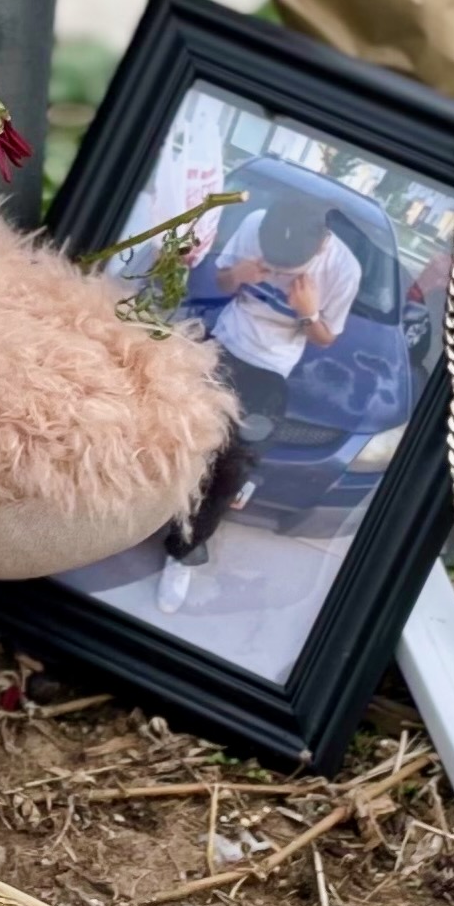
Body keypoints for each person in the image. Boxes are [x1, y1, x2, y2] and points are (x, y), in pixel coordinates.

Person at [151, 187, 360, 613]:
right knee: (168, 424)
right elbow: (222, 281)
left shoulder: (342, 268)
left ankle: (185, 551)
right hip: (225, 340)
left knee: (232, 465)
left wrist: (308, 311)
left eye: (292, 263)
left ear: (321, 243)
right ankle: (137, 509)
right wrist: (239, 276)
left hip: (271, 366)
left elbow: (325, 340)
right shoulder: (255, 225)